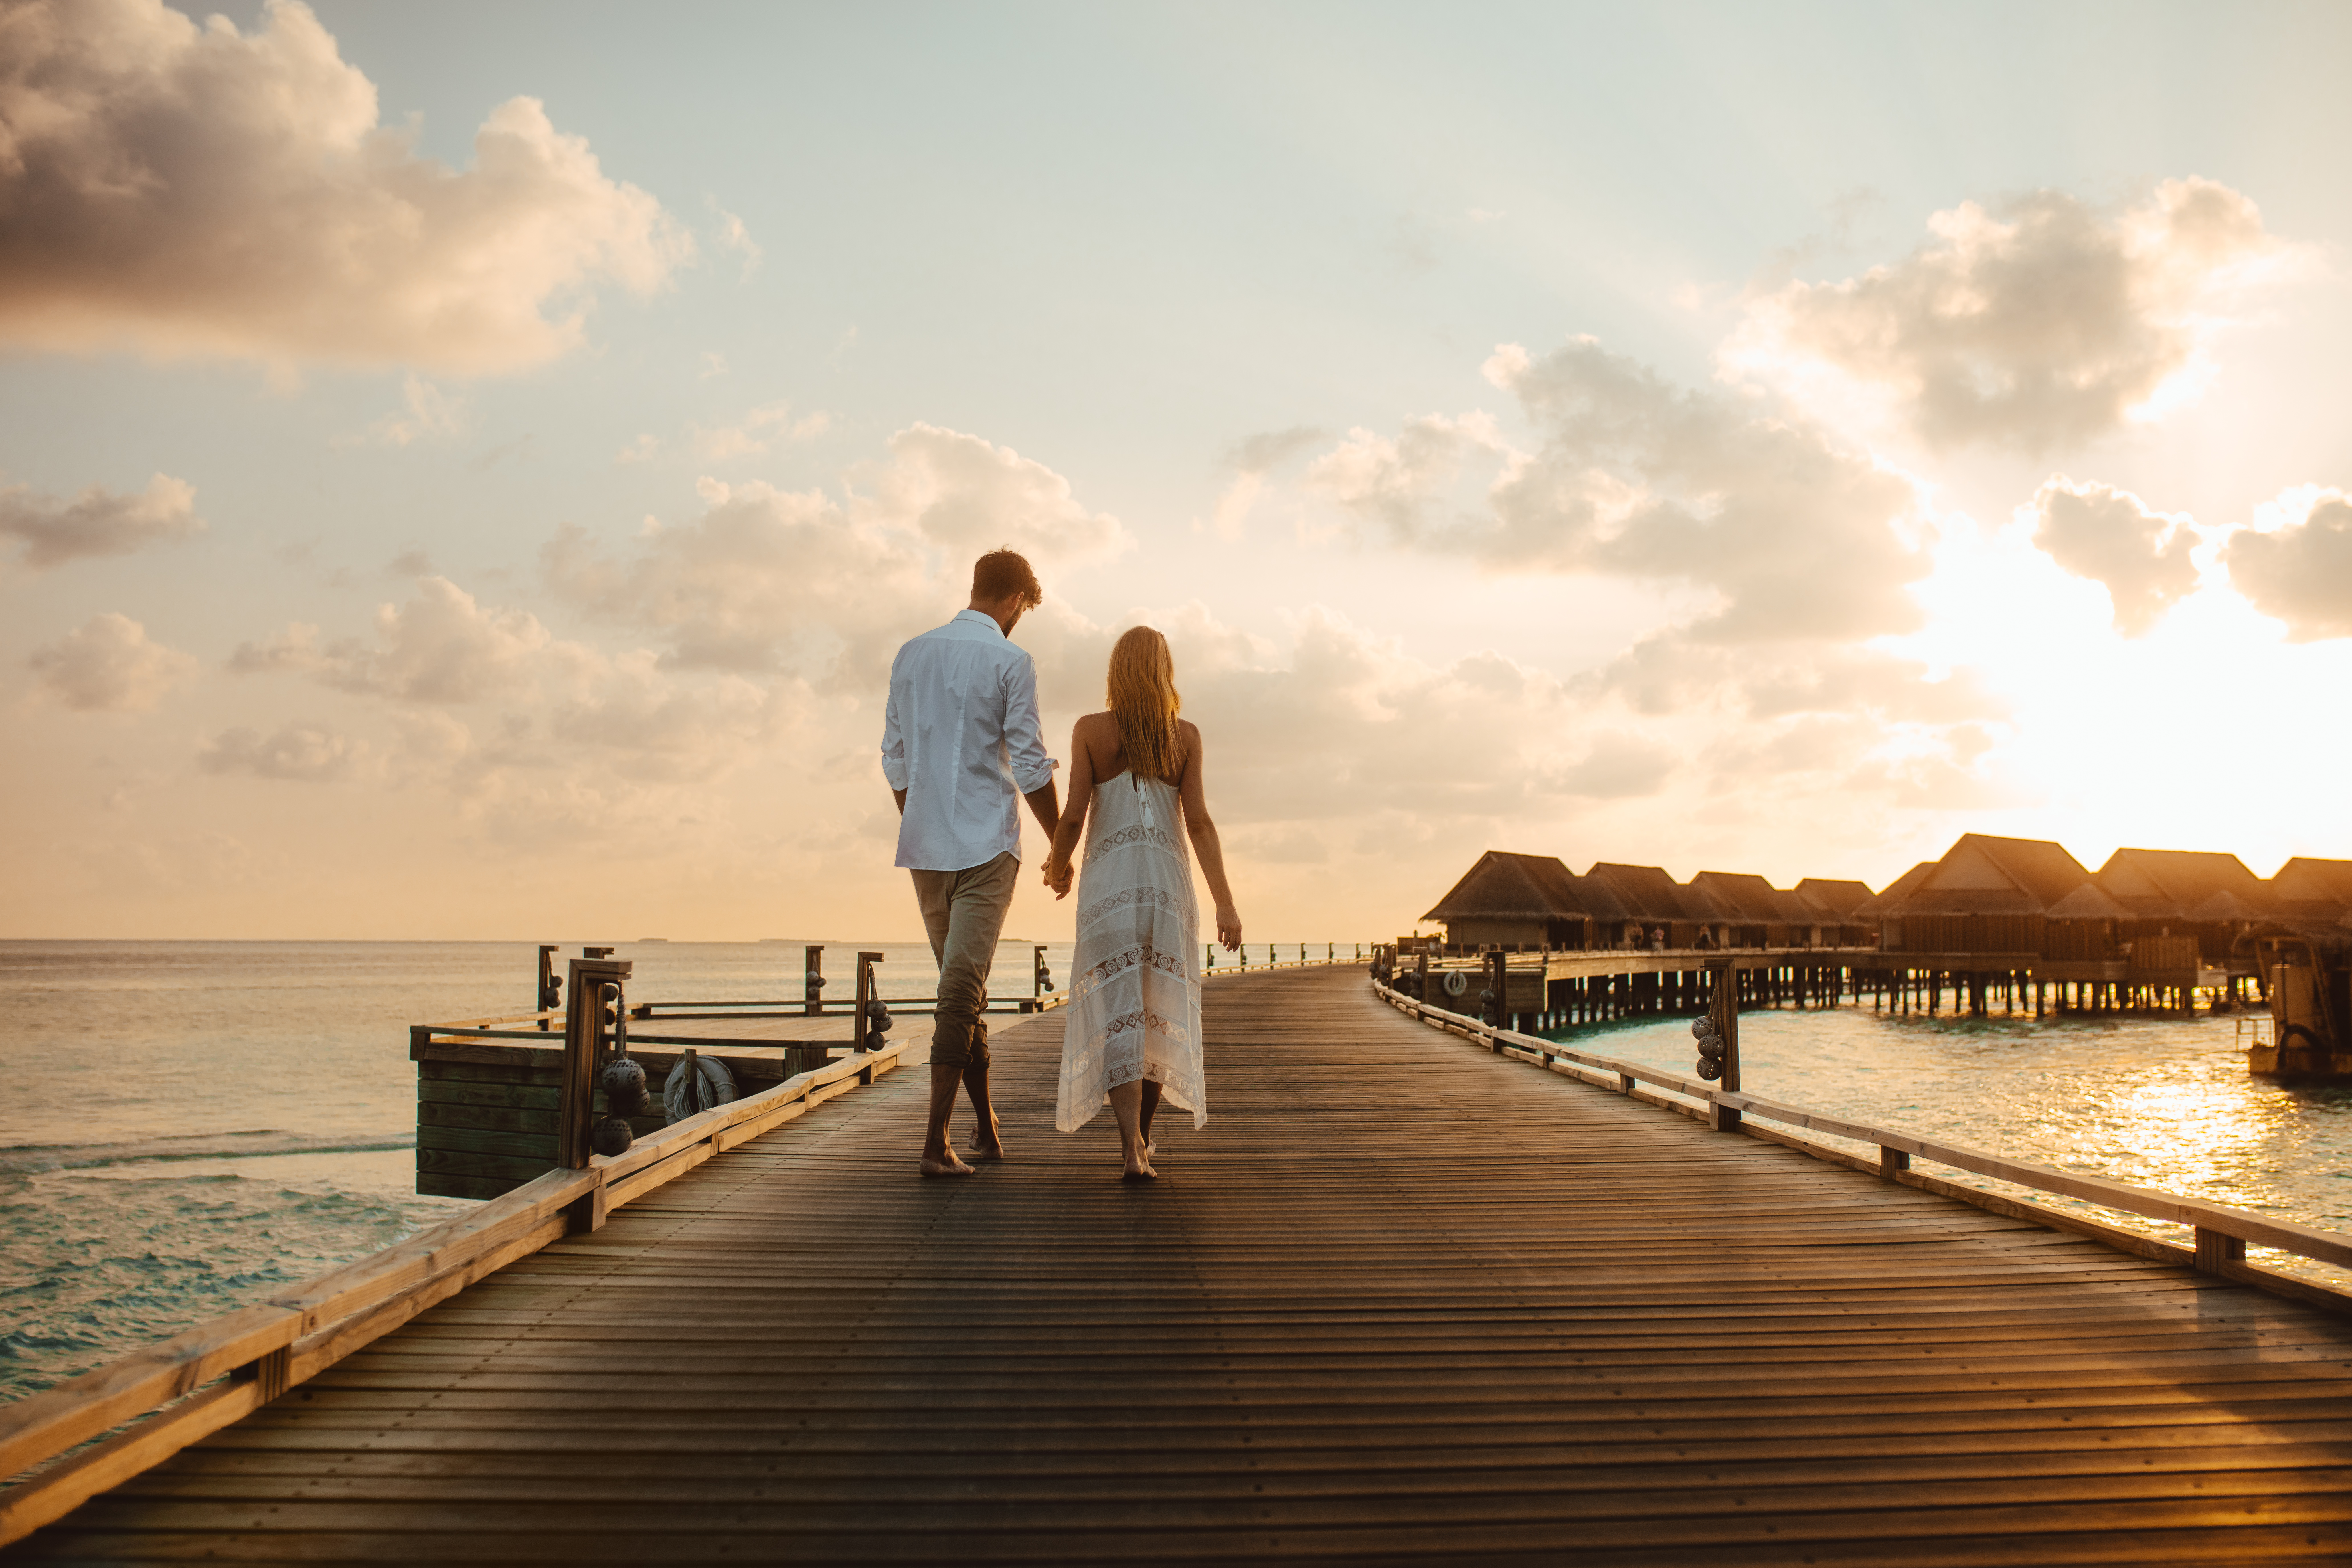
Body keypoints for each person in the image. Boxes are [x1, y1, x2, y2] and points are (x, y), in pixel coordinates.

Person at [880, 549, 1060, 1177]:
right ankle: (936, 1143)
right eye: (1024, 610)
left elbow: (895, 759)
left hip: (926, 850)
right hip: (987, 847)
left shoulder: (911, 653)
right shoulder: (1011, 659)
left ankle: (986, 1129)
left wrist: (923, 813)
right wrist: (1062, 845)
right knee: (961, 991)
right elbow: (1031, 762)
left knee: (961, 990)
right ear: (1015, 599)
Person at [1040, 626, 1240, 1180]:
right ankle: (1144, 1139)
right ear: (1164, 671)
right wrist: (1226, 903)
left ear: (1116, 671)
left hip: (1108, 893)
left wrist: (1057, 868)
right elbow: (1198, 823)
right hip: (1167, 893)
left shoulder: (1089, 730)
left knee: (1117, 1016)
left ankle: (1131, 1145)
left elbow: (1074, 816)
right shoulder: (1186, 737)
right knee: (1156, 1017)